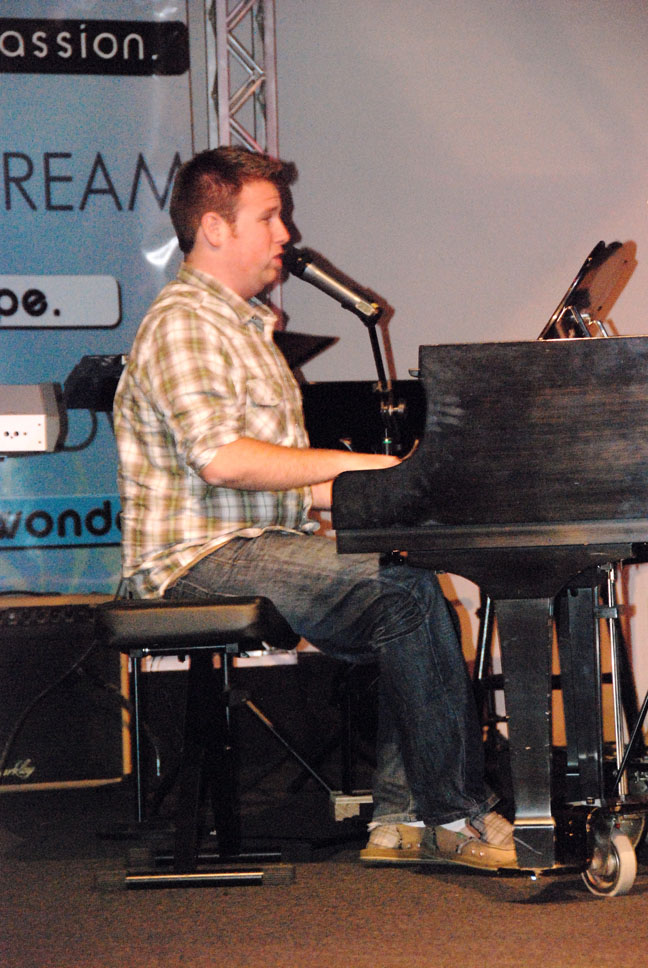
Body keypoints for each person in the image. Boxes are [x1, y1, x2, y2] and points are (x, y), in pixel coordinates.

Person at [113, 145, 516, 871]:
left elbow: (287, 480)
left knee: (400, 581)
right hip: (194, 561)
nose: (285, 235)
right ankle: (454, 814)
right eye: (268, 217)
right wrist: (363, 465)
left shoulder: (243, 329)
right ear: (214, 227)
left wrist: (407, 487)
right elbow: (223, 459)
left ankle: (400, 819)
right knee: (400, 591)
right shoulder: (185, 324)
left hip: (248, 541)